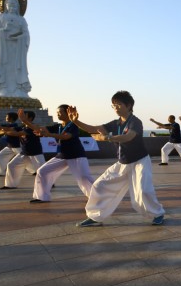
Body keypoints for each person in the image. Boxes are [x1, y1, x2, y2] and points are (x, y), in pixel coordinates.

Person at [69, 91, 165, 227]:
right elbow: (94, 129)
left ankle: (158, 214)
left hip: (140, 161)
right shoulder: (115, 123)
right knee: (99, 185)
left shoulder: (135, 122)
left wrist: (108, 137)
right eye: (113, 105)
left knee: (143, 191)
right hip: (123, 163)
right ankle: (96, 216)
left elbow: (128, 137)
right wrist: (75, 121)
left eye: (118, 104)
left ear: (129, 105)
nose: (115, 108)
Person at [25, 105, 94, 203]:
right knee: (42, 171)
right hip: (62, 155)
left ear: (67, 113)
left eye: (60, 112)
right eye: (57, 112)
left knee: (84, 178)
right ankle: (42, 197)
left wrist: (49, 134)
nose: (58, 114)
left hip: (76, 155)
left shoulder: (73, 125)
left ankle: (97, 196)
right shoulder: (57, 126)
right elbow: (39, 129)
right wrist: (26, 121)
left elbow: (66, 136)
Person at [0, 0, 31, 98]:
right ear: (5, 5)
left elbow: (26, 34)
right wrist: (4, 30)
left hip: (18, 49)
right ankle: (3, 88)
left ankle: (18, 89)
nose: (12, 6)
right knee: (5, 66)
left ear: (18, 6)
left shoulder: (22, 19)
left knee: (17, 67)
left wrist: (19, 37)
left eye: (14, 4)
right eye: (10, 4)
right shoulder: (1, 17)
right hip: (4, 48)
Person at [0, 110, 46, 190]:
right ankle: (10, 185)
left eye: (24, 116)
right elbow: (11, 129)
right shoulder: (24, 127)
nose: (21, 117)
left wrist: (5, 132)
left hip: (35, 152)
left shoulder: (33, 127)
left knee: (42, 169)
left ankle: (49, 183)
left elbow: (18, 134)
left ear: (30, 118)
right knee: (11, 165)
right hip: (25, 152)